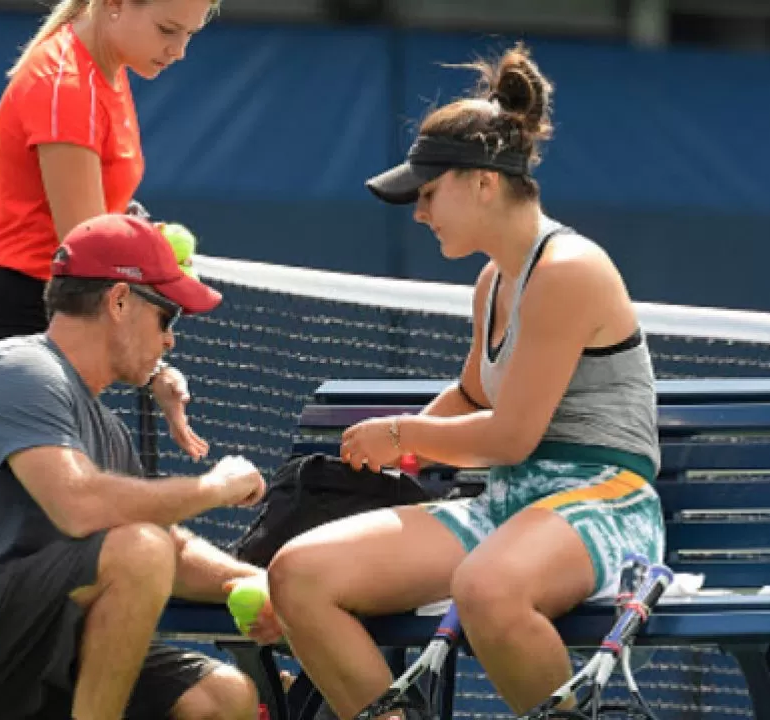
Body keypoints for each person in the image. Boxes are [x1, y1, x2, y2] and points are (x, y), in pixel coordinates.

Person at [264, 44, 665, 719]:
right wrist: (393, 449)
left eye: (427, 193)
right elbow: (474, 398)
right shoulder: (492, 280)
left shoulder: (568, 268)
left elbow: (509, 435)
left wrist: (404, 434)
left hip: (608, 503)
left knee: (486, 588)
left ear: (483, 181)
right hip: (505, 507)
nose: (419, 212)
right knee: (297, 576)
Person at [0, 213, 283, 720]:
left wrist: (277, 586)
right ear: (118, 301)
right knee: (138, 550)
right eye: (167, 317)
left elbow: (171, 550)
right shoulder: (17, 369)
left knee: (223, 697)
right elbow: (81, 507)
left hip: (40, 652)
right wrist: (216, 487)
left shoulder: (103, 427)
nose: (171, 341)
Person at [0, 0, 216, 458]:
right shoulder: (65, 85)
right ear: (114, 6)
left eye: (189, 34)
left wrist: (153, 370)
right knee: (81, 516)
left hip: (64, 329)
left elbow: (103, 241)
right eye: (168, 30)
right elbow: (92, 259)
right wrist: (149, 363)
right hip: (15, 331)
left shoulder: (108, 68)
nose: (179, 51)